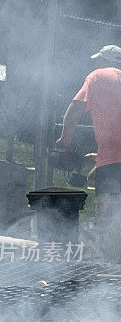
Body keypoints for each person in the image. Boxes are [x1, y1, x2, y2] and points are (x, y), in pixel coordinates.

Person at [56, 44, 121, 257]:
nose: (95, 63)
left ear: (104, 61)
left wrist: (64, 140)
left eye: (98, 60)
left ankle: (112, 277)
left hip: (113, 161)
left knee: (108, 220)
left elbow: (75, 109)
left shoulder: (98, 76)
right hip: (111, 159)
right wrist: (100, 161)